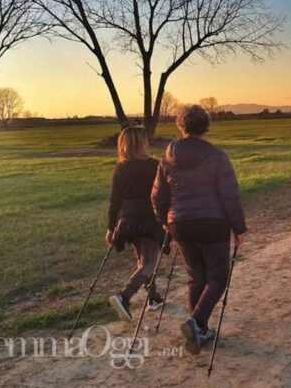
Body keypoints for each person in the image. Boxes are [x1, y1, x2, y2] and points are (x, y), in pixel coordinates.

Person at [152, 105, 247, 355]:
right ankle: (197, 321)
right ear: (206, 126)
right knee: (218, 277)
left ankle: (199, 329)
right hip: (212, 222)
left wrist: (165, 221)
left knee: (196, 276)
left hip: (180, 224)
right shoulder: (216, 155)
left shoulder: (167, 157)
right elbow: (230, 195)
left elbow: (158, 196)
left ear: (181, 125)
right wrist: (239, 227)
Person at [106, 124, 165, 323]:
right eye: (145, 139)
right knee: (149, 263)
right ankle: (124, 296)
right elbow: (163, 194)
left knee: (143, 260)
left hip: (128, 221)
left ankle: (154, 298)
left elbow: (114, 200)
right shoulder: (155, 165)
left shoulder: (120, 168)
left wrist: (111, 227)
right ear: (141, 143)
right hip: (150, 218)